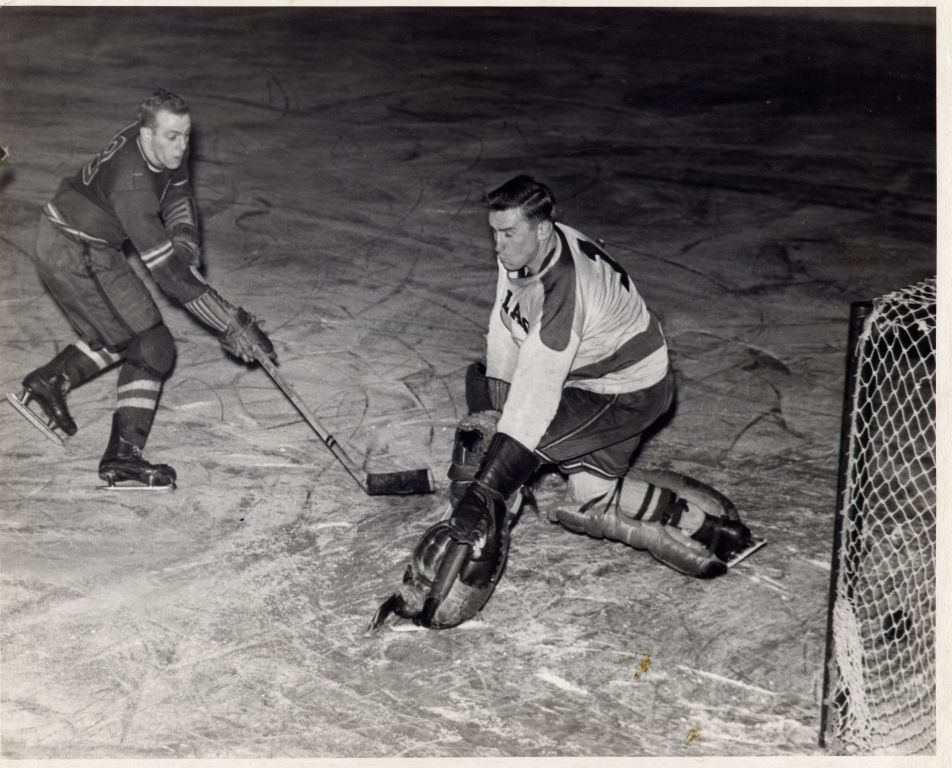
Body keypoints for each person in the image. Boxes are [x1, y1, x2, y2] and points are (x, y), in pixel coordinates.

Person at [371, 174, 753, 630]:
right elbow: (505, 324)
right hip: (600, 379)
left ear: (542, 229)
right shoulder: (530, 249)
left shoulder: (562, 289)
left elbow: (533, 402)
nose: (498, 244)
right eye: (494, 231)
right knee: (587, 495)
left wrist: (488, 487)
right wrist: (494, 409)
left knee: (497, 458)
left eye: (508, 233)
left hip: (624, 393)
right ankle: (704, 525)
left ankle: (460, 553)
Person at [11, 89, 274, 489]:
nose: (182, 146)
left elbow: (177, 188)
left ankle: (53, 379)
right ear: (147, 134)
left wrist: (184, 238)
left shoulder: (155, 141)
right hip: (74, 248)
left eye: (186, 135)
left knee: (125, 332)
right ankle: (122, 458)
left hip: (85, 243)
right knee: (151, 344)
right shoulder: (131, 184)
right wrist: (229, 322)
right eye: (172, 137)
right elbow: (170, 277)